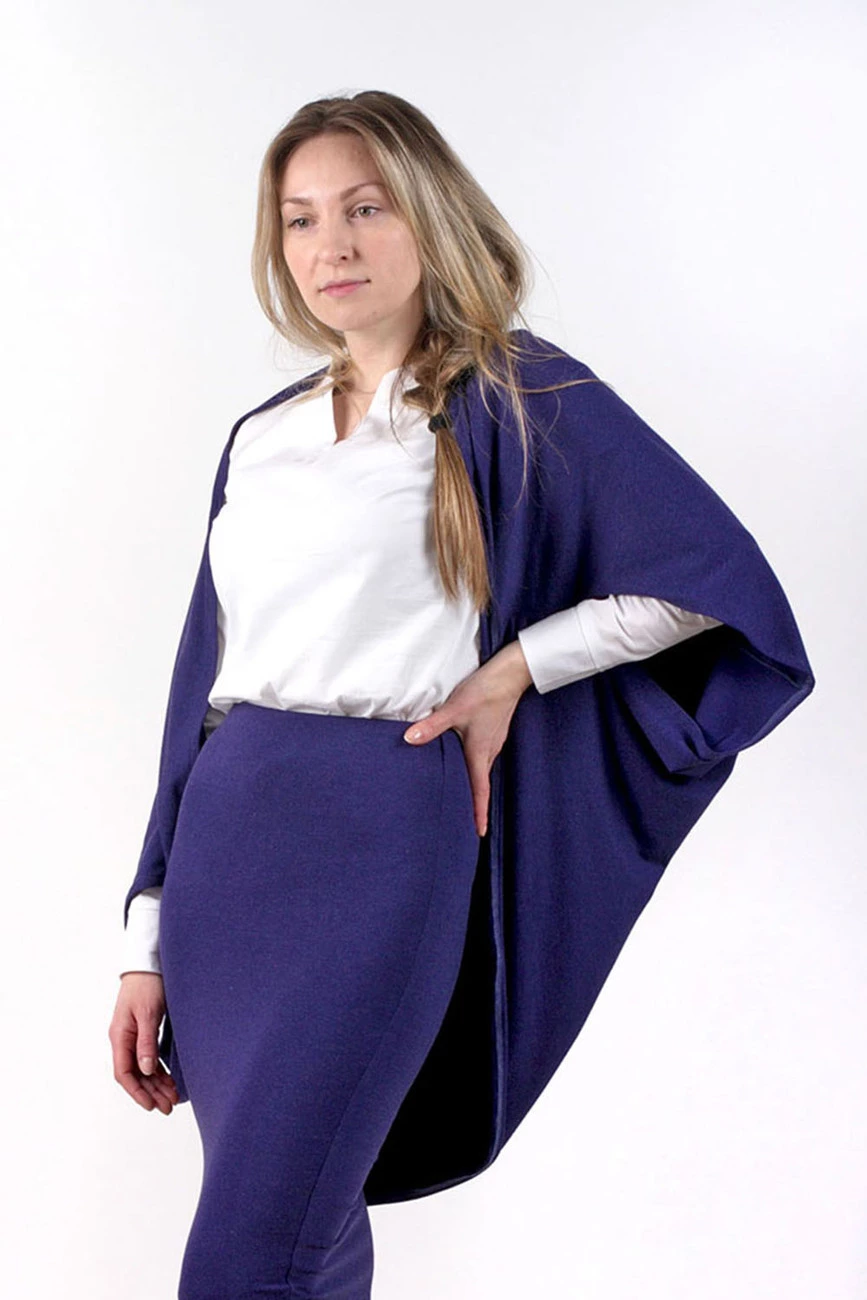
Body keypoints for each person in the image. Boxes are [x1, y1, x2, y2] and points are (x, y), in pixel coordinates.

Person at [108, 90, 813, 1300]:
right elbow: (199, 706)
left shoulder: (512, 397)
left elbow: (708, 583)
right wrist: (144, 942)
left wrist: (516, 669)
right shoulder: (261, 438)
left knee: (252, 1254)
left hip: (382, 837)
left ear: (428, 215)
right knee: (312, 1229)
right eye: (300, 219)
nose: (330, 245)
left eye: (365, 208)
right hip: (228, 853)